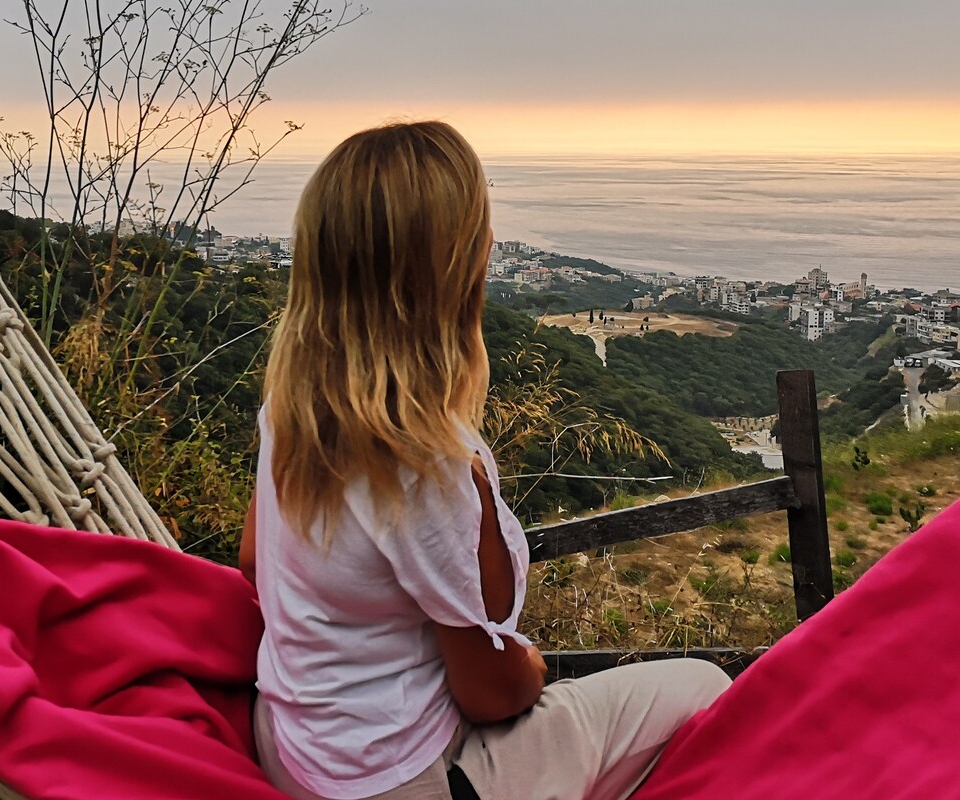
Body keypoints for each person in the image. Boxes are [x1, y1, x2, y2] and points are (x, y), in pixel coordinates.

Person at [239, 121, 731, 800]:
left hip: (291, 745)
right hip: (394, 782)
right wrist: (527, 663)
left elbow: (252, 561)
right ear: (453, 267)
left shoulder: (295, 407)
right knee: (706, 687)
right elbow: (492, 696)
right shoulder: (424, 466)